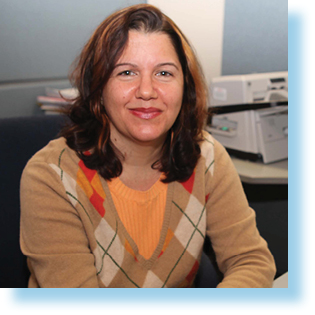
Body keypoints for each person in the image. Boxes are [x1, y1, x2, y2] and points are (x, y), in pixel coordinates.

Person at [20, 4, 276, 288]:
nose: (146, 91)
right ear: (98, 88)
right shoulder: (51, 176)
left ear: (185, 86)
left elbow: (251, 261)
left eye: (164, 73)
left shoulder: (207, 157)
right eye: (126, 73)